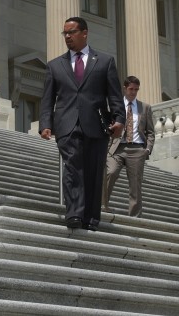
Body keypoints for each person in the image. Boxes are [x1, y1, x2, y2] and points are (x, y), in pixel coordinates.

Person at [40, 17, 124, 231]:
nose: (67, 36)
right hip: (66, 125)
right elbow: (47, 99)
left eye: (72, 32)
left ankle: (91, 218)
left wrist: (120, 120)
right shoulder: (55, 65)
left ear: (84, 33)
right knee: (72, 168)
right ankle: (74, 214)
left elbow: (114, 96)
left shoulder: (104, 62)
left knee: (94, 172)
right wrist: (45, 124)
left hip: (96, 124)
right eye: (65, 33)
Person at [103, 75, 155, 217]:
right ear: (125, 88)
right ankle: (102, 206)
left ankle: (135, 217)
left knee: (135, 185)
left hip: (137, 149)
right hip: (116, 147)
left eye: (136, 90)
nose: (133, 92)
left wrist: (147, 150)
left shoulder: (145, 108)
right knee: (111, 172)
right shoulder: (115, 105)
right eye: (131, 89)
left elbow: (150, 132)